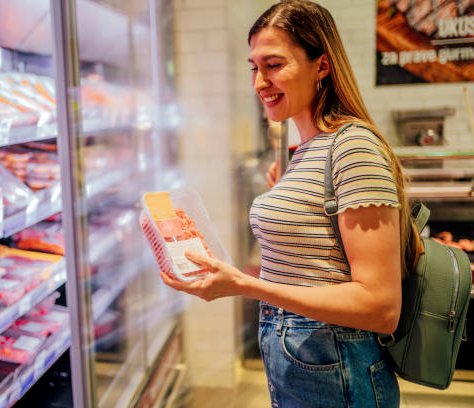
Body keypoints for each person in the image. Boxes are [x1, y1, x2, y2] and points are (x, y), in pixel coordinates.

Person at [160, 1, 422, 407]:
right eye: (254, 67)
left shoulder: (353, 145)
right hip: (306, 359)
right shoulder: (308, 150)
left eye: (274, 65)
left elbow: (379, 306)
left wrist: (245, 285)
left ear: (322, 65)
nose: (259, 82)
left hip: (336, 362)